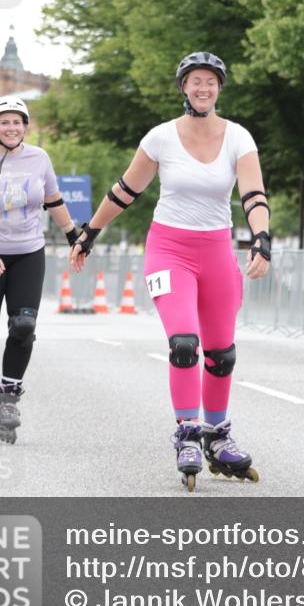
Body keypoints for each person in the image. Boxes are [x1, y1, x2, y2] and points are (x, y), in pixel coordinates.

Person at [70, 52, 271, 491]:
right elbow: (125, 190)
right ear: (183, 87)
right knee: (184, 344)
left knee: (221, 354)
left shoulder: (238, 137)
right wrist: (90, 232)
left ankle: (218, 436)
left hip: (216, 252)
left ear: (219, 88)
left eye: (210, 81)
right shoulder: (161, 137)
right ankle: (188, 434)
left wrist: (261, 237)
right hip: (169, 250)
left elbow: (254, 194)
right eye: (195, 81)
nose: (203, 88)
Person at [0, 95, 80, 444]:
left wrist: (74, 236)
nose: (12, 128)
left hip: (27, 254)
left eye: (17, 122)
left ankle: (8, 398)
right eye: (5, 122)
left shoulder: (39, 158)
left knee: (23, 326)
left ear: (25, 126)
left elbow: (53, 200)